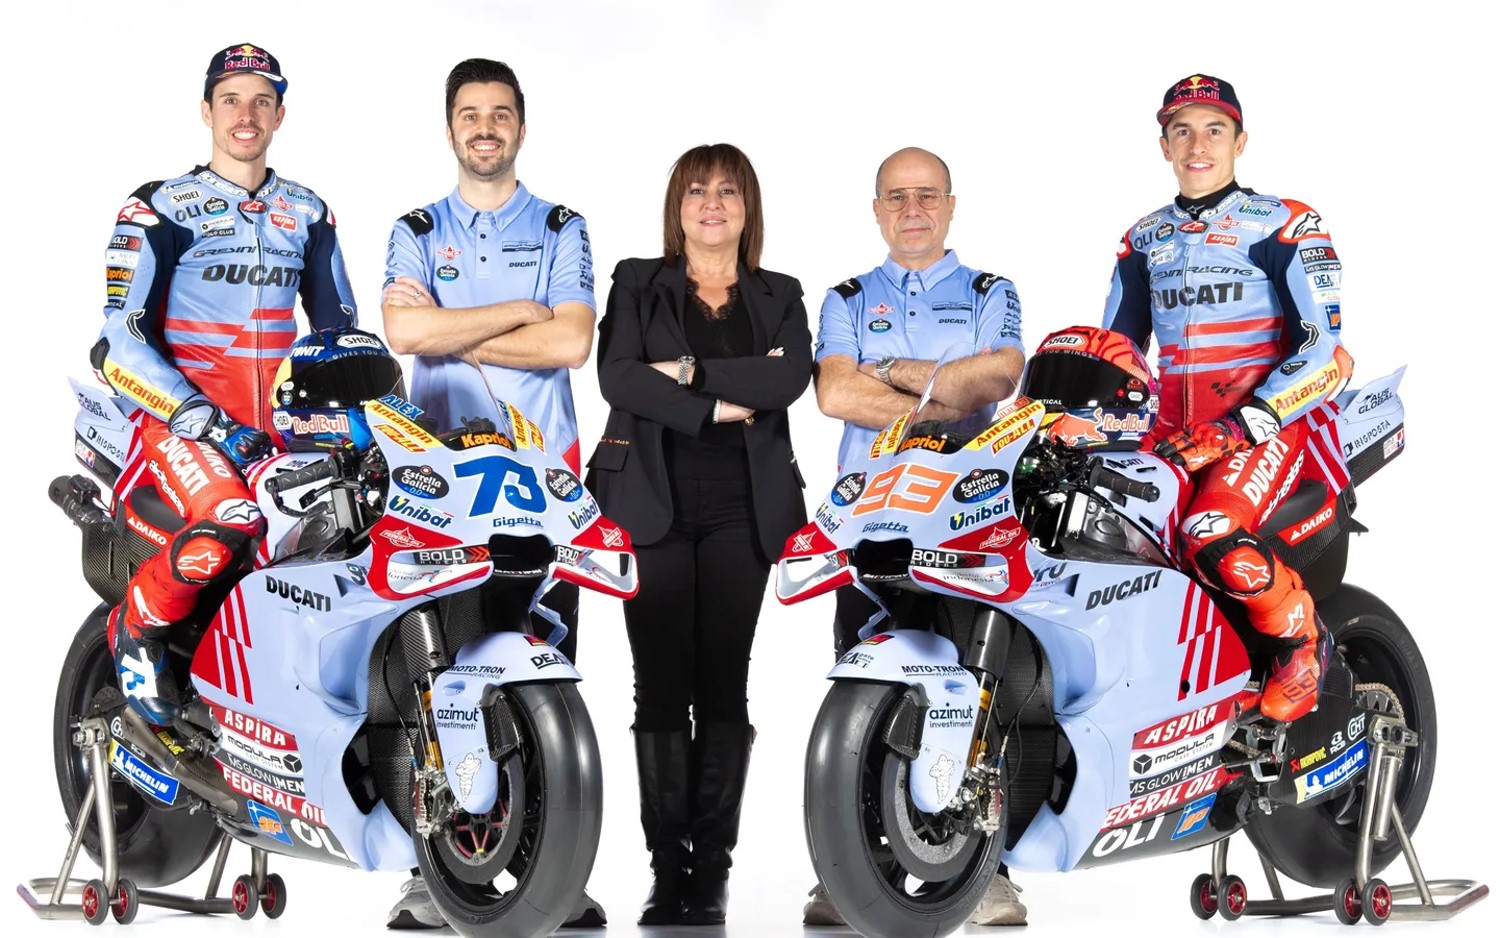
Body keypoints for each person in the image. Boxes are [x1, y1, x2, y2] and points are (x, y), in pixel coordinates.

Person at [379, 58, 603, 930]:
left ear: (520, 126)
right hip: (434, 474)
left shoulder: (560, 224)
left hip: (546, 478)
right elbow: (404, 331)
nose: (485, 127)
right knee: (427, 666)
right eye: (469, 114)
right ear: (449, 128)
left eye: (499, 113)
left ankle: (557, 879)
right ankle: (421, 875)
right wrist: (521, 311)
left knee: (543, 667)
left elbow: (574, 343)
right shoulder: (413, 227)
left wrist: (457, 334)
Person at [92, 43, 356, 729]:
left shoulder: (309, 212)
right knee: (231, 522)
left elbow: (340, 335)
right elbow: (118, 341)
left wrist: (384, 414)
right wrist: (197, 416)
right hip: (180, 423)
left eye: (261, 101)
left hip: (278, 429)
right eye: (232, 99)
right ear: (206, 110)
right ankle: (137, 631)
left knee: (359, 526)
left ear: (280, 114)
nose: (247, 114)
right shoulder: (158, 208)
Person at [585, 143, 811, 926]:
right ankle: (665, 872)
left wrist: (676, 374)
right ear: (675, 205)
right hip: (649, 503)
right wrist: (717, 399)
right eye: (695, 190)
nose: (711, 204)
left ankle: (709, 873)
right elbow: (617, 375)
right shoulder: (636, 280)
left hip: (742, 509)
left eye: (727, 191)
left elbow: (787, 382)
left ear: (748, 206)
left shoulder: (781, 293)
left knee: (723, 683)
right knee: (658, 685)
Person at [808, 147, 1028, 927]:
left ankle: (988, 870)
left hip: (968, 515)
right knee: (862, 684)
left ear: (951, 205)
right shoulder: (844, 295)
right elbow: (835, 390)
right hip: (864, 517)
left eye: (926, 196)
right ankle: (849, 868)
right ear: (876, 209)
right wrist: (942, 383)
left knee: (981, 682)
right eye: (897, 197)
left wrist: (891, 373)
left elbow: (998, 379)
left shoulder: (989, 291)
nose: (912, 210)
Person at [1102, 74, 1353, 724]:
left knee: (1209, 531)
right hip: (1171, 438)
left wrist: (1245, 424)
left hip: (1264, 430)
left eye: (1213, 128)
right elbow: (1116, 352)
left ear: (1240, 139)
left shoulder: (1286, 222)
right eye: (1181, 129)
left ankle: (1303, 643)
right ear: (1163, 144)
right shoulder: (1142, 238)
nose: (1197, 143)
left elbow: (1324, 348)